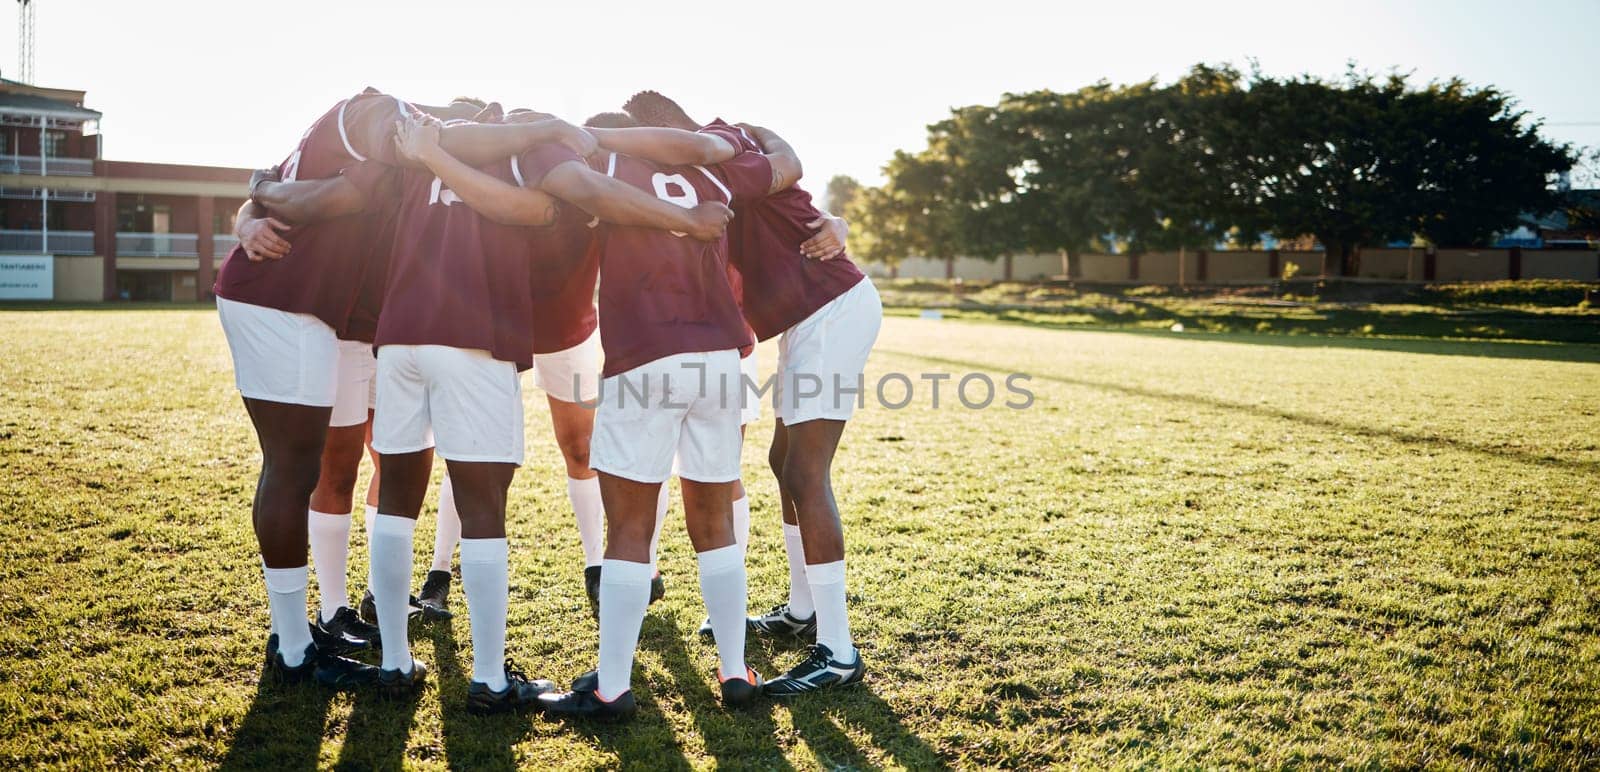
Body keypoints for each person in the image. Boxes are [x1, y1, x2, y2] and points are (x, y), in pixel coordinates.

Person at [217, 89, 604, 684]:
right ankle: (302, 645)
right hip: (296, 302)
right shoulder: (374, 119)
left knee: (388, 476)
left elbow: (321, 191)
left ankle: (382, 647)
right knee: (303, 468)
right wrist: (255, 203)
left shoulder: (394, 164)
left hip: (364, 324)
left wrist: (257, 197)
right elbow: (444, 169)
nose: (423, 129)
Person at [365, 113, 733, 713]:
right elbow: (554, 203)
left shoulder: (418, 152)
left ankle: (392, 662)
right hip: (471, 336)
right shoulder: (526, 152)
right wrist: (686, 219)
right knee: (483, 503)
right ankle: (488, 680)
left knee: (396, 497)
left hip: (401, 337)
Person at [620, 92, 881, 696]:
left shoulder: (715, 149)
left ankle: (838, 650)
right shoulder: (706, 168)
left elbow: (776, 155)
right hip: (809, 316)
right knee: (782, 463)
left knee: (807, 473)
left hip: (831, 309)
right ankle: (802, 610)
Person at [538, 123, 802, 720]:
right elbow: (786, 164)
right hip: (721, 359)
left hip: (645, 358)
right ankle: (736, 672)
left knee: (629, 529)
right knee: (715, 521)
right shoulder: (712, 170)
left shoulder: (602, 164)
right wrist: (746, 134)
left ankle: (611, 687)